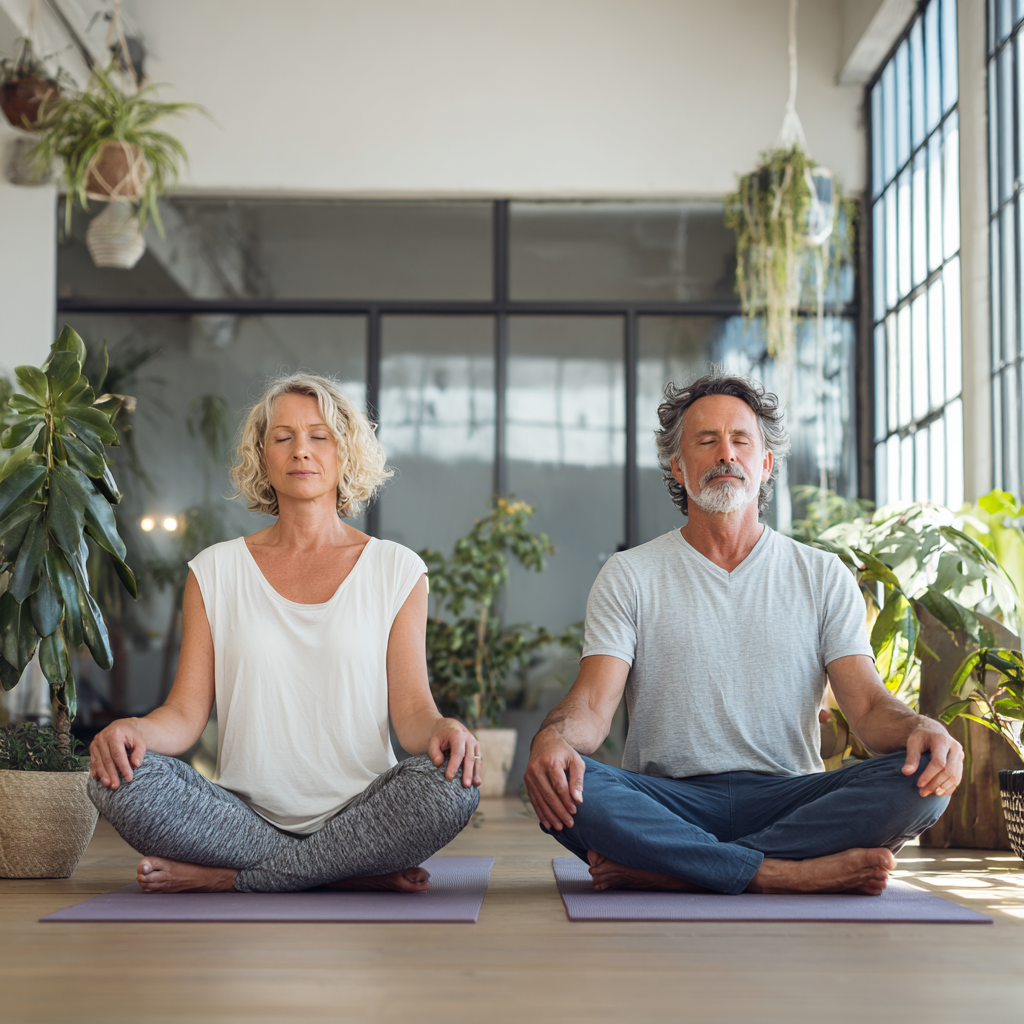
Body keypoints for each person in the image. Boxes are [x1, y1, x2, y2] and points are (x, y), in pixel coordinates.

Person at [524, 370, 961, 897]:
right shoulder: (631, 574)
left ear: (765, 463)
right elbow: (591, 709)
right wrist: (552, 739)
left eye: (740, 440)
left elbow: (868, 711)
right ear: (678, 466)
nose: (725, 454)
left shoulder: (821, 575)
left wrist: (924, 727)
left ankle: (673, 868)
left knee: (922, 782)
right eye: (706, 442)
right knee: (570, 782)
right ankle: (782, 872)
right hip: (668, 798)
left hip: (791, 796)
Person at [89, 373, 480, 894]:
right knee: (114, 780)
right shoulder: (214, 570)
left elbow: (412, 717)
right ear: (262, 456)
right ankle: (347, 875)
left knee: (453, 787)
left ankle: (237, 880)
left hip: (366, 816)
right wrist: (134, 731)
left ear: (345, 453)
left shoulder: (396, 569)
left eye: (320, 436)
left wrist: (444, 731)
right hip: (241, 821)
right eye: (283, 437)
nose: (302, 451)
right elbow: (184, 716)